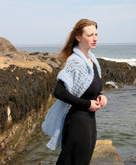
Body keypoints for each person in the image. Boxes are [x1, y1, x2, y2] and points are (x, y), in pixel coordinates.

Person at [42, 19, 107, 165]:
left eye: (96, 34)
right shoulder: (75, 62)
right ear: (78, 37)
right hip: (77, 122)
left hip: (90, 121)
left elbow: (91, 89)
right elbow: (59, 92)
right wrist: (86, 103)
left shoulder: (92, 61)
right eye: (90, 35)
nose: (95, 38)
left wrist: (101, 96)